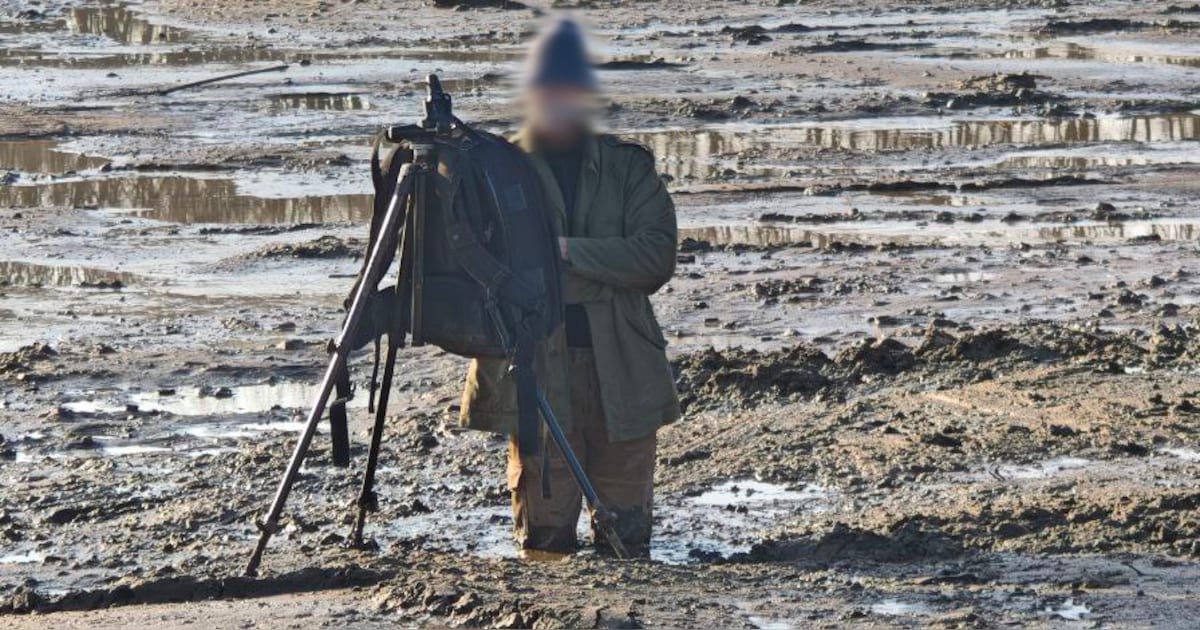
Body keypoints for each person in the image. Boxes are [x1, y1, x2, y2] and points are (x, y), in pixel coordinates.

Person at [458, 18, 680, 559]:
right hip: (535, 369)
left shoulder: (628, 168)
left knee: (627, 543)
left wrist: (564, 252)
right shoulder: (496, 171)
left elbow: (654, 257)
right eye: (547, 89)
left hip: (622, 368)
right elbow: (472, 264)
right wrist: (605, 260)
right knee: (545, 543)